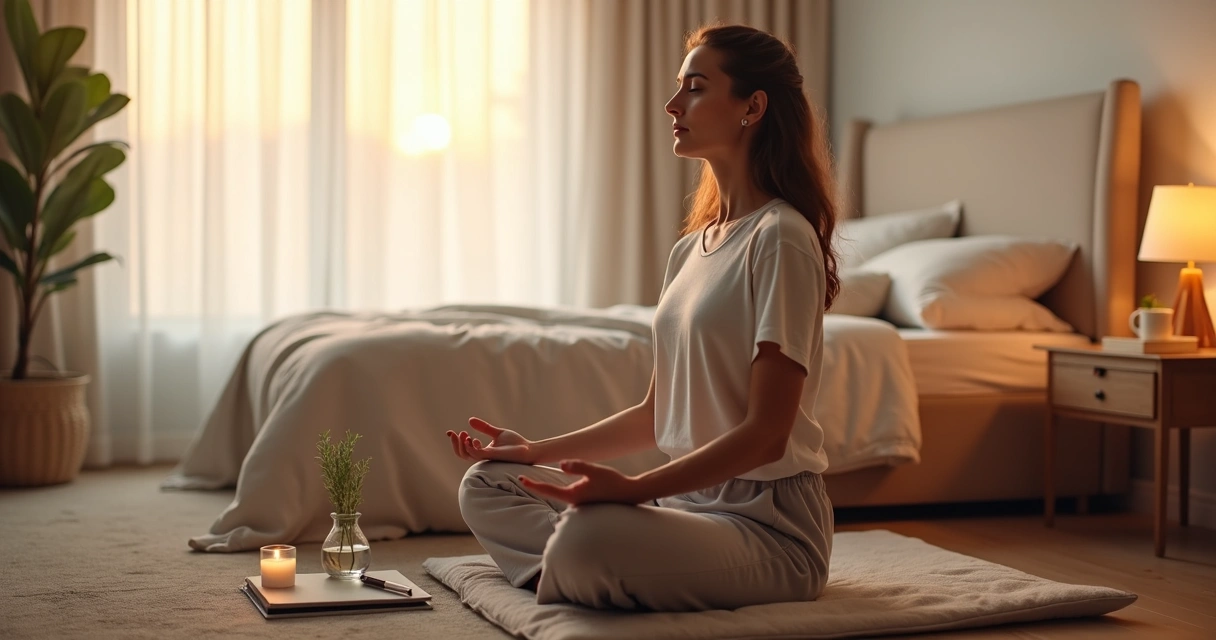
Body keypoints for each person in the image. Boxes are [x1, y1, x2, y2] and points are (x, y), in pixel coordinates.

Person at [445, 23, 840, 612]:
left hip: (769, 529)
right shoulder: (691, 249)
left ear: (752, 106)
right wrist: (531, 453)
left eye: (696, 88)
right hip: (686, 510)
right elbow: (658, 418)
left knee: (589, 533)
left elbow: (767, 434)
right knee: (487, 484)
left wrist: (633, 491)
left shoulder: (781, 237)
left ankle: (577, 568)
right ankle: (583, 573)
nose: (672, 104)